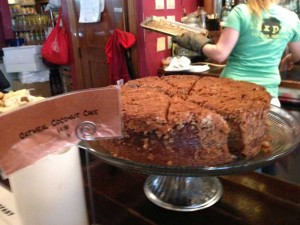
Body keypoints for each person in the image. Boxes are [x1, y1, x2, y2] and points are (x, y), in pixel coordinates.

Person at [172, 0, 300, 107]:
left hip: (232, 95)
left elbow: (220, 54)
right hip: (268, 97)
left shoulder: (241, 12)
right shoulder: (291, 18)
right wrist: (289, 58)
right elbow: (298, 54)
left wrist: (197, 43)